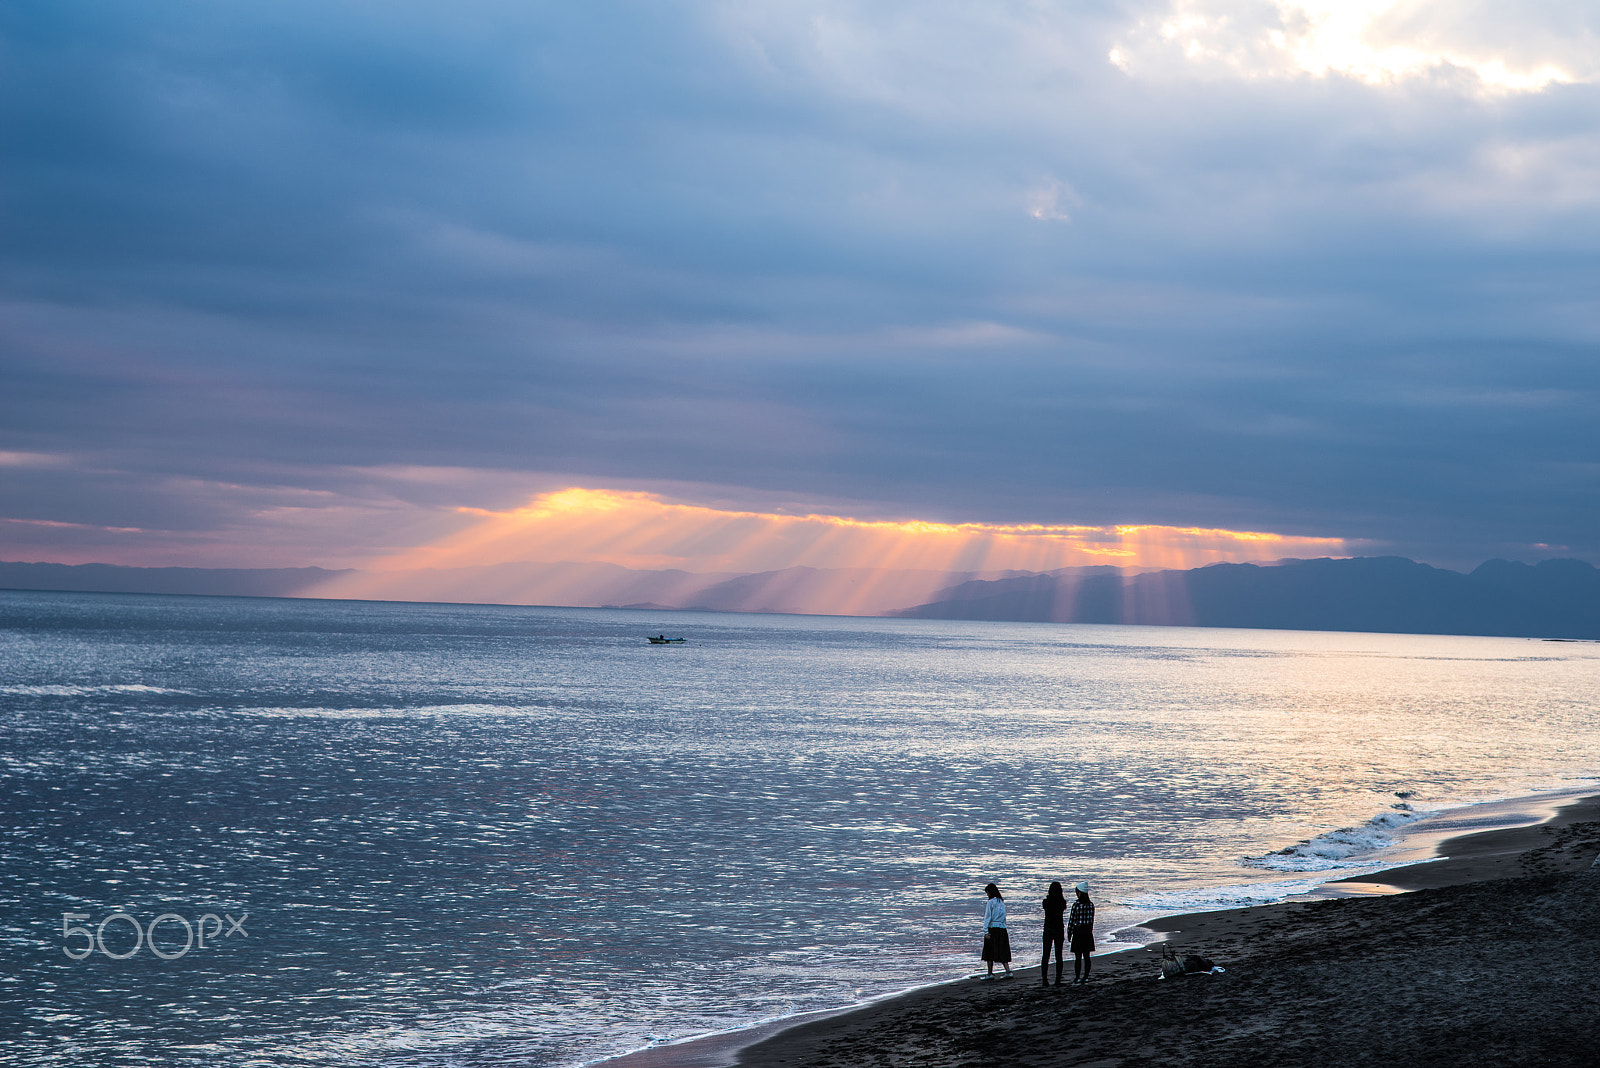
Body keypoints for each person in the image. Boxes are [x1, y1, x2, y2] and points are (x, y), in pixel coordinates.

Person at [980, 883, 1012, 979]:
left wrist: (985, 931)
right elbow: (1004, 917)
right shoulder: (1001, 902)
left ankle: (990, 973)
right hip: (1002, 929)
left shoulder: (991, 902)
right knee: (1002, 951)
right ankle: (1008, 971)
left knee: (989, 952)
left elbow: (987, 917)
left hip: (992, 928)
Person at [1040, 881, 1067, 985]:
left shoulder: (1046, 902)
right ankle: (1058, 979)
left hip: (1048, 929)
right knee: (1058, 955)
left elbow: (1046, 908)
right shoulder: (1062, 902)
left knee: (1046, 955)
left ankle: (1044, 979)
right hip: (1059, 929)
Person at [1068, 882, 1095, 984]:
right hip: (1087, 932)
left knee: (1078, 957)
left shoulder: (1076, 905)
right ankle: (1086, 976)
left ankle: (1078, 977)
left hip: (1078, 932)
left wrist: (1069, 933)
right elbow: (1091, 920)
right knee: (1087, 956)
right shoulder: (1091, 905)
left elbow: (1072, 920)